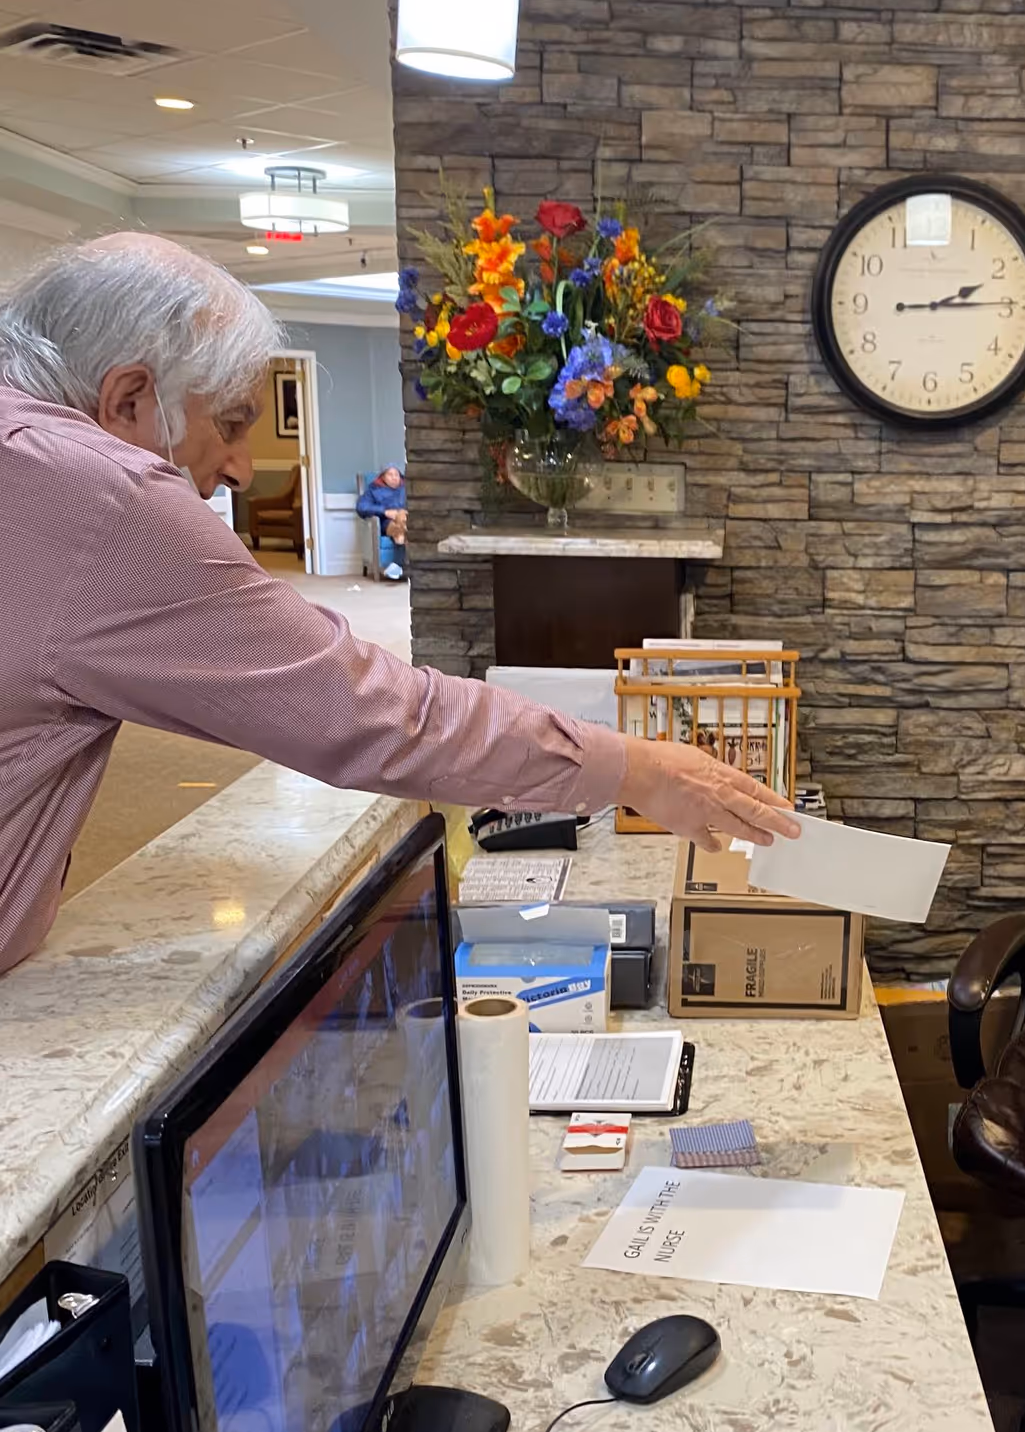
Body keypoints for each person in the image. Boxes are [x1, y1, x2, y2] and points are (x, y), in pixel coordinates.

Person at [0, 233, 796, 978]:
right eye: (232, 423)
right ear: (131, 399)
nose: (241, 467)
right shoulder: (104, 496)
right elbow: (364, 710)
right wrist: (636, 768)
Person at [356, 464, 408, 581]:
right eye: (390, 474)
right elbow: (361, 507)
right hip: (387, 523)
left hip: (406, 521)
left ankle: (397, 565)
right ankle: (400, 564)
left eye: (397, 475)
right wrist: (385, 512)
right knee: (401, 520)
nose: (395, 477)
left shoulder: (407, 487)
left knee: (401, 524)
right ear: (383, 477)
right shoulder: (374, 490)